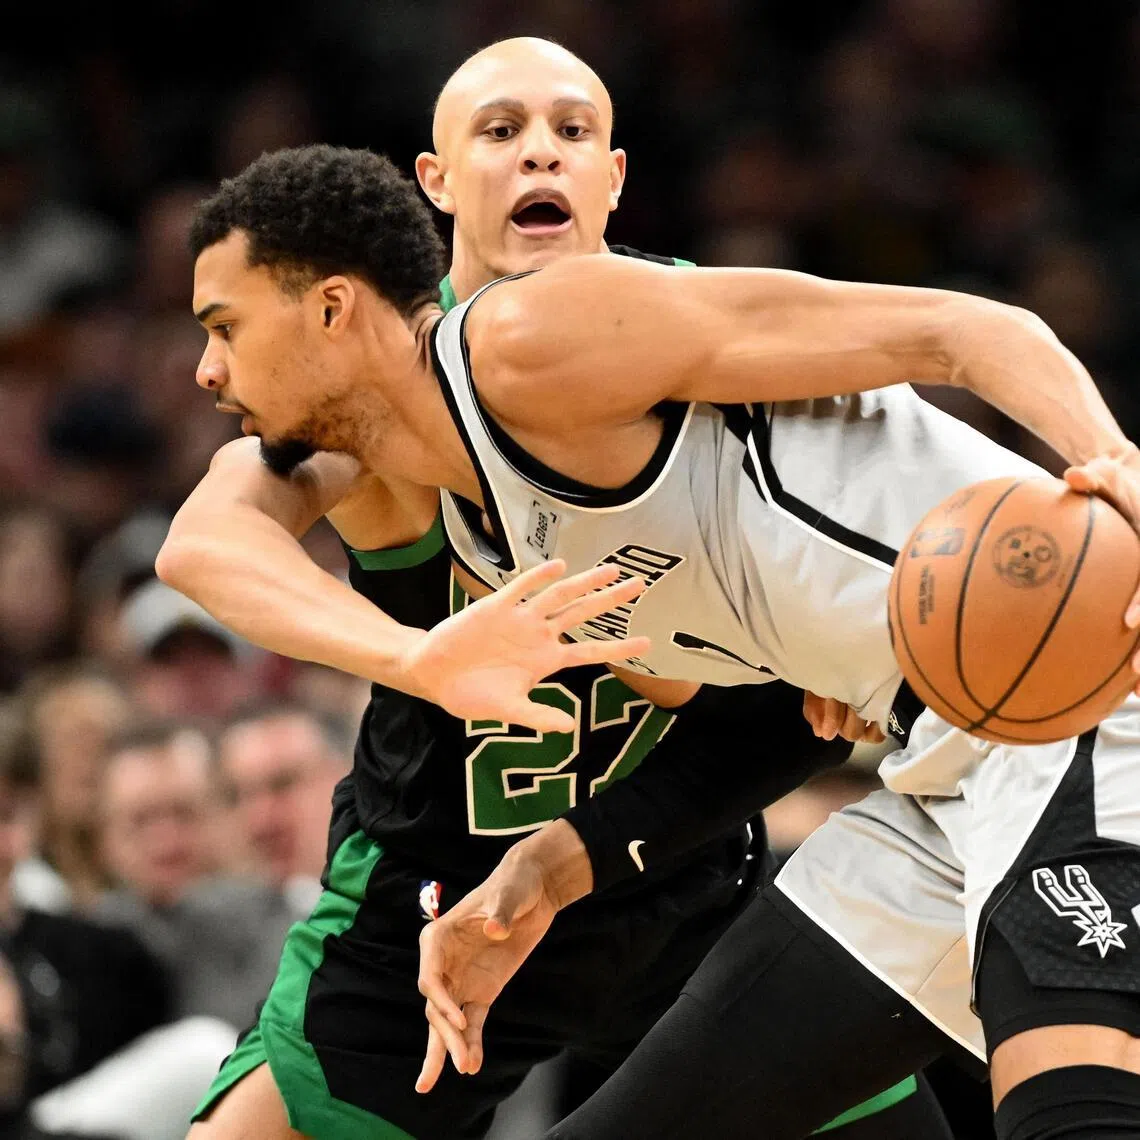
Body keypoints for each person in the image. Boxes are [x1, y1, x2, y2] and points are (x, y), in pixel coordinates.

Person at [169, 90, 1140, 1139]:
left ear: (331, 310)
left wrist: (1115, 467)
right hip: (935, 771)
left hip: (1073, 691)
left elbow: (963, 327)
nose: (204, 367)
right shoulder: (510, 535)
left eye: (224, 326)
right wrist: (543, 866)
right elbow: (740, 719)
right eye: (499, 133)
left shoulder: (527, 340)